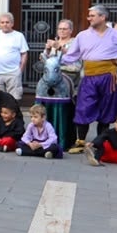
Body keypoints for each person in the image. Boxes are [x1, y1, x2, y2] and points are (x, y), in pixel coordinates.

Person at [55, 4, 117, 153]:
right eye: (88, 15)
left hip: (109, 77)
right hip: (89, 77)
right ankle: (81, 142)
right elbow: (72, 56)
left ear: (103, 17)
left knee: (106, 110)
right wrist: (54, 61)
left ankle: (100, 142)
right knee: (83, 108)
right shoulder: (82, 35)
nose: (89, 18)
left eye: (92, 15)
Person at [38, 19, 79, 147]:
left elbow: (76, 60)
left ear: (71, 31)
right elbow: (44, 60)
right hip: (51, 77)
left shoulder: (74, 43)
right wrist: (47, 50)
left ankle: (65, 139)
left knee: (67, 107)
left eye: (65, 29)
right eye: (60, 29)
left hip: (68, 74)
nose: (62, 31)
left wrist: (60, 48)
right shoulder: (53, 41)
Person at [0, 13, 29, 100]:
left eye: (7, 22)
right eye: (2, 22)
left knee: (14, 99)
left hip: (13, 72)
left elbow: (24, 53)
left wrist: (20, 69)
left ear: (12, 23)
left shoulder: (19, 36)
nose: (5, 24)